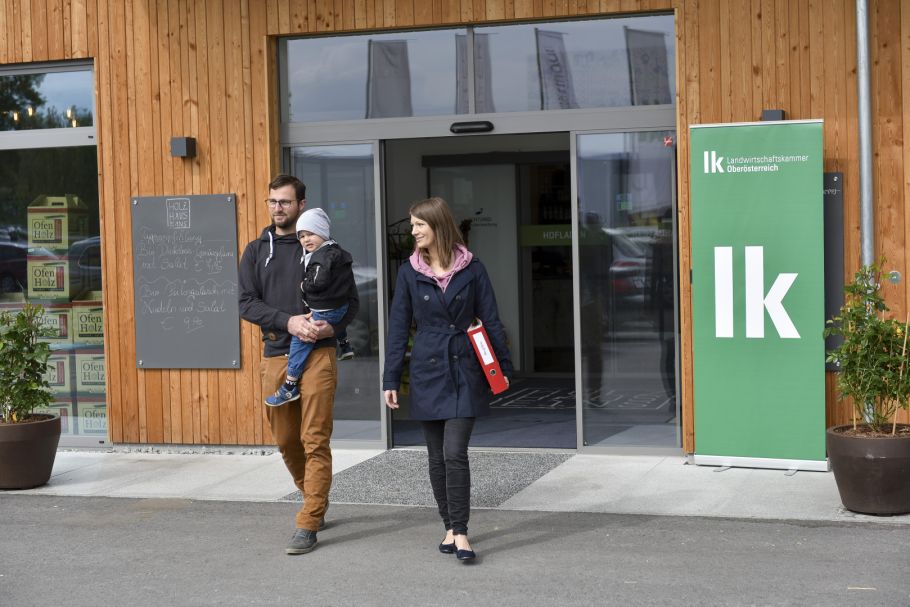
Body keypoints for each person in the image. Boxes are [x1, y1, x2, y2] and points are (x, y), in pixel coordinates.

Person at [382, 196, 512, 564]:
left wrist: (502, 368)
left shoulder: (473, 269)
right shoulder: (409, 272)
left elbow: (491, 318)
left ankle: (462, 531)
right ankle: (449, 527)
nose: (413, 231)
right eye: (412, 225)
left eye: (419, 225)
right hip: (427, 370)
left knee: (455, 453)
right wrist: (391, 377)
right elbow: (398, 327)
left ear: (437, 225)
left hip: (465, 368)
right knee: (436, 457)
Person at [238, 174, 358, 556]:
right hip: (277, 352)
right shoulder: (256, 251)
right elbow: (246, 303)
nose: (278, 208)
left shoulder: (325, 249)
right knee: (286, 440)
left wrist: (332, 328)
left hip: (319, 353)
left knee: (314, 438)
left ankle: (309, 521)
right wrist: (288, 321)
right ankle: (313, 497)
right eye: (272, 201)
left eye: (285, 202)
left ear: (301, 204)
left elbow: (351, 302)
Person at [265, 208, 356, 407]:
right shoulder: (337, 252)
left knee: (301, 339)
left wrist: (304, 286)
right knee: (332, 317)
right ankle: (345, 344)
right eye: (302, 236)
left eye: (311, 234)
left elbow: (318, 281)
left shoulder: (321, 257)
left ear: (322, 232)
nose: (306, 240)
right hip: (338, 307)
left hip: (325, 310)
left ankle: (289, 386)